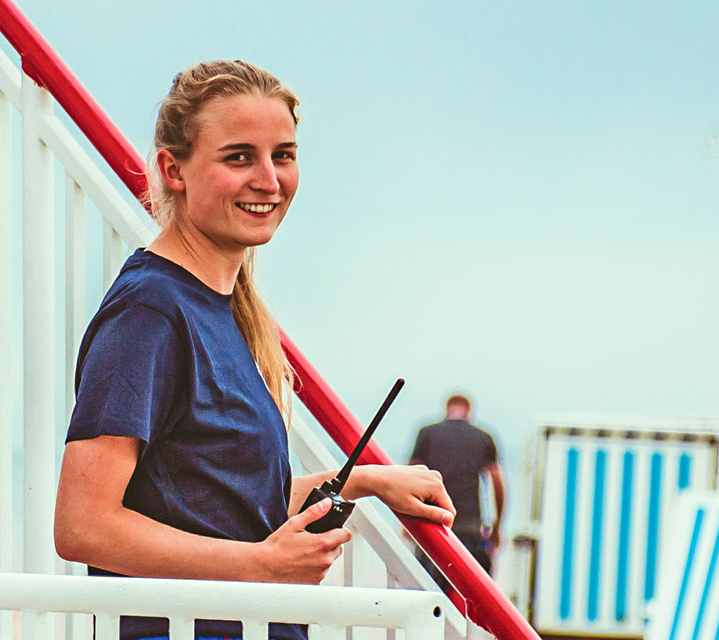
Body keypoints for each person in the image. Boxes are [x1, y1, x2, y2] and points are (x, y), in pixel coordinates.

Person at [53, 60, 456, 640]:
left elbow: (219, 501)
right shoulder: (149, 312)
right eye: (238, 157)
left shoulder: (224, 307)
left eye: (283, 155)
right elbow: (83, 524)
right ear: (174, 170)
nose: (268, 179)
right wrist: (261, 567)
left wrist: (365, 481)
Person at [407, 394, 506, 572]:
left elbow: (411, 475)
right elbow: (497, 482)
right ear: (469, 412)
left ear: (446, 410)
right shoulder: (483, 437)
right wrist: (497, 527)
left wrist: (407, 519)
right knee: (468, 584)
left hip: (433, 520)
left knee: (429, 585)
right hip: (470, 526)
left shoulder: (427, 434)